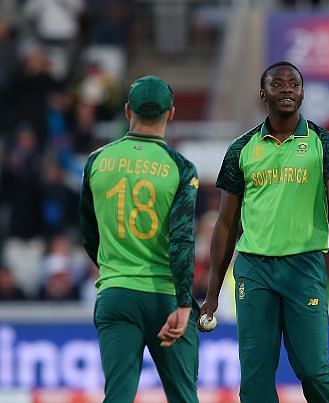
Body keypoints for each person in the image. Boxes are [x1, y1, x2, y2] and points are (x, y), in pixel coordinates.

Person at [200, 61, 329, 403]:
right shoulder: (241, 149)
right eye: (278, 84)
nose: (286, 90)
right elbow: (225, 223)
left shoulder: (325, 142)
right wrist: (211, 294)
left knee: (313, 369)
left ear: (302, 93)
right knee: (254, 377)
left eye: (293, 85)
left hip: (303, 267)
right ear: (262, 93)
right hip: (254, 270)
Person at [80, 75, 200, 403]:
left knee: (118, 395)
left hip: (116, 293)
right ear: (171, 113)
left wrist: (115, 270)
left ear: (126, 110)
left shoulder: (97, 161)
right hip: (165, 296)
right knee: (184, 397)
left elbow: (90, 233)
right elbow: (182, 240)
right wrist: (185, 302)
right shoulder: (181, 168)